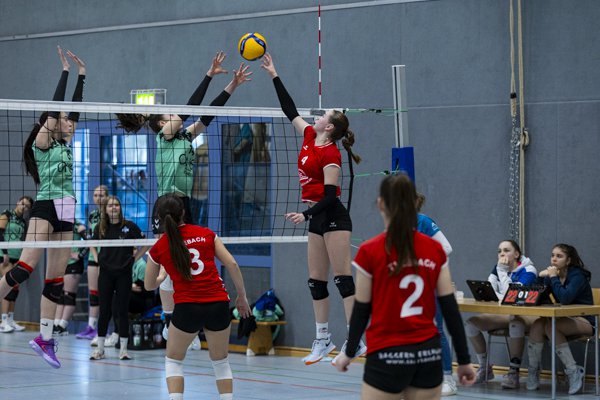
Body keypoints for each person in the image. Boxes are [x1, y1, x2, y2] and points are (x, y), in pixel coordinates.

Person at [116, 52, 251, 339]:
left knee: (184, 262)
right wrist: (208, 75)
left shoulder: (185, 137)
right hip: (166, 203)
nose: (173, 115)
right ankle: (169, 320)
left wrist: (233, 86)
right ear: (162, 124)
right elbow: (190, 108)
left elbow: (207, 115)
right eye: (169, 115)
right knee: (166, 264)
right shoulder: (164, 136)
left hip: (184, 203)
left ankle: (181, 317)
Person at [261, 53, 365, 364]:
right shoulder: (309, 136)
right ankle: (323, 339)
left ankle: (356, 341)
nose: (318, 116)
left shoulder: (331, 153)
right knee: (315, 281)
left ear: (329, 127)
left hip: (332, 216)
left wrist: (305, 214)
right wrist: (274, 75)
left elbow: (331, 197)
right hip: (316, 218)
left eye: (324, 115)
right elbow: (289, 110)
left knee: (343, 279)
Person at [333, 174, 475, 399]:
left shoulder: (370, 251)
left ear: (380, 204)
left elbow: (361, 310)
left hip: (387, 353)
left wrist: (349, 353)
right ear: (414, 203)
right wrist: (465, 360)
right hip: (427, 356)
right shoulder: (434, 250)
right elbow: (450, 310)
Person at [0, 46, 86, 368]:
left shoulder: (66, 141)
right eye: (63, 120)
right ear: (50, 124)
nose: (69, 123)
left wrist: (82, 76)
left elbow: (74, 112)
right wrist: (64, 72)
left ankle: (45, 339)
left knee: (56, 279)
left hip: (68, 207)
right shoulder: (43, 143)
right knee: (25, 267)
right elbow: (54, 112)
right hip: (47, 205)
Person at [144, 194, 251, 400]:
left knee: (174, 361)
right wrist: (242, 296)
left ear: (159, 218)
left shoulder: (159, 247)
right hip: (218, 303)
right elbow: (232, 264)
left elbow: (149, 285)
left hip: (188, 307)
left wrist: (162, 276)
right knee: (221, 362)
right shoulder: (206, 234)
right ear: (183, 212)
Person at [464, 239, 537, 388]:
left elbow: (512, 295)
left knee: (516, 323)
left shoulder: (529, 270)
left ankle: (513, 372)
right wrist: (500, 285)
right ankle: (484, 367)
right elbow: (488, 291)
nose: (502, 254)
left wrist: (502, 273)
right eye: (499, 251)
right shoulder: (498, 267)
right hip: (505, 313)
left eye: (506, 250)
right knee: (471, 324)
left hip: (528, 314)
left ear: (516, 254)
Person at [526, 244, 594, 395]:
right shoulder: (552, 276)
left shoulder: (577, 276)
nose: (554, 259)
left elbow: (565, 298)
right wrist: (540, 277)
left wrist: (553, 277)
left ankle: (573, 371)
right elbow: (533, 296)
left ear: (568, 260)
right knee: (537, 325)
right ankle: (533, 371)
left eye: (559, 256)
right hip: (563, 319)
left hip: (585, 321)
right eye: (552, 255)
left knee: (551, 327)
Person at [89, 196, 144, 361]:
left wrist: (134, 258)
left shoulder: (129, 226)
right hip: (106, 273)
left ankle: (124, 350)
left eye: (117, 205)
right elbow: (90, 243)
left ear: (120, 208)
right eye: (110, 205)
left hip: (123, 274)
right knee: (104, 311)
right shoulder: (101, 227)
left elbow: (146, 243)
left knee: (122, 311)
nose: (114, 208)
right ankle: (100, 349)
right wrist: (96, 258)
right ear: (105, 209)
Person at [415, 193, 456, 396]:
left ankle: (448, 379)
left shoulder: (423, 221)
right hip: (413, 288)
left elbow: (446, 248)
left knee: (436, 331)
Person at [77, 185, 109, 340]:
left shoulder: (111, 213)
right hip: (93, 258)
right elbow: (90, 238)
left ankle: (104, 328)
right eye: (95, 195)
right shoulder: (92, 215)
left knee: (106, 294)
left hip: (108, 259)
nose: (98, 198)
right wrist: (95, 255)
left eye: (101, 195)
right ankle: (91, 327)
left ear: (107, 196)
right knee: (93, 294)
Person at [0, 196, 33, 333]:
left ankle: (11, 320)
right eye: (22, 203)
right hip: (5, 256)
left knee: (15, 289)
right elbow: (0, 232)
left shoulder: (23, 222)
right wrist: (5, 253)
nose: (24, 207)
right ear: (17, 202)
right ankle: (3, 321)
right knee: (7, 287)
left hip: (17, 256)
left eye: (27, 206)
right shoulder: (7, 214)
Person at [52, 221, 87, 335]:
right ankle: (56, 324)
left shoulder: (78, 226)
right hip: (62, 263)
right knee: (60, 294)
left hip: (74, 264)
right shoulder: (59, 225)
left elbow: (90, 241)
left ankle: (62, 326)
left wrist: (80, 255)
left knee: (69, 295)